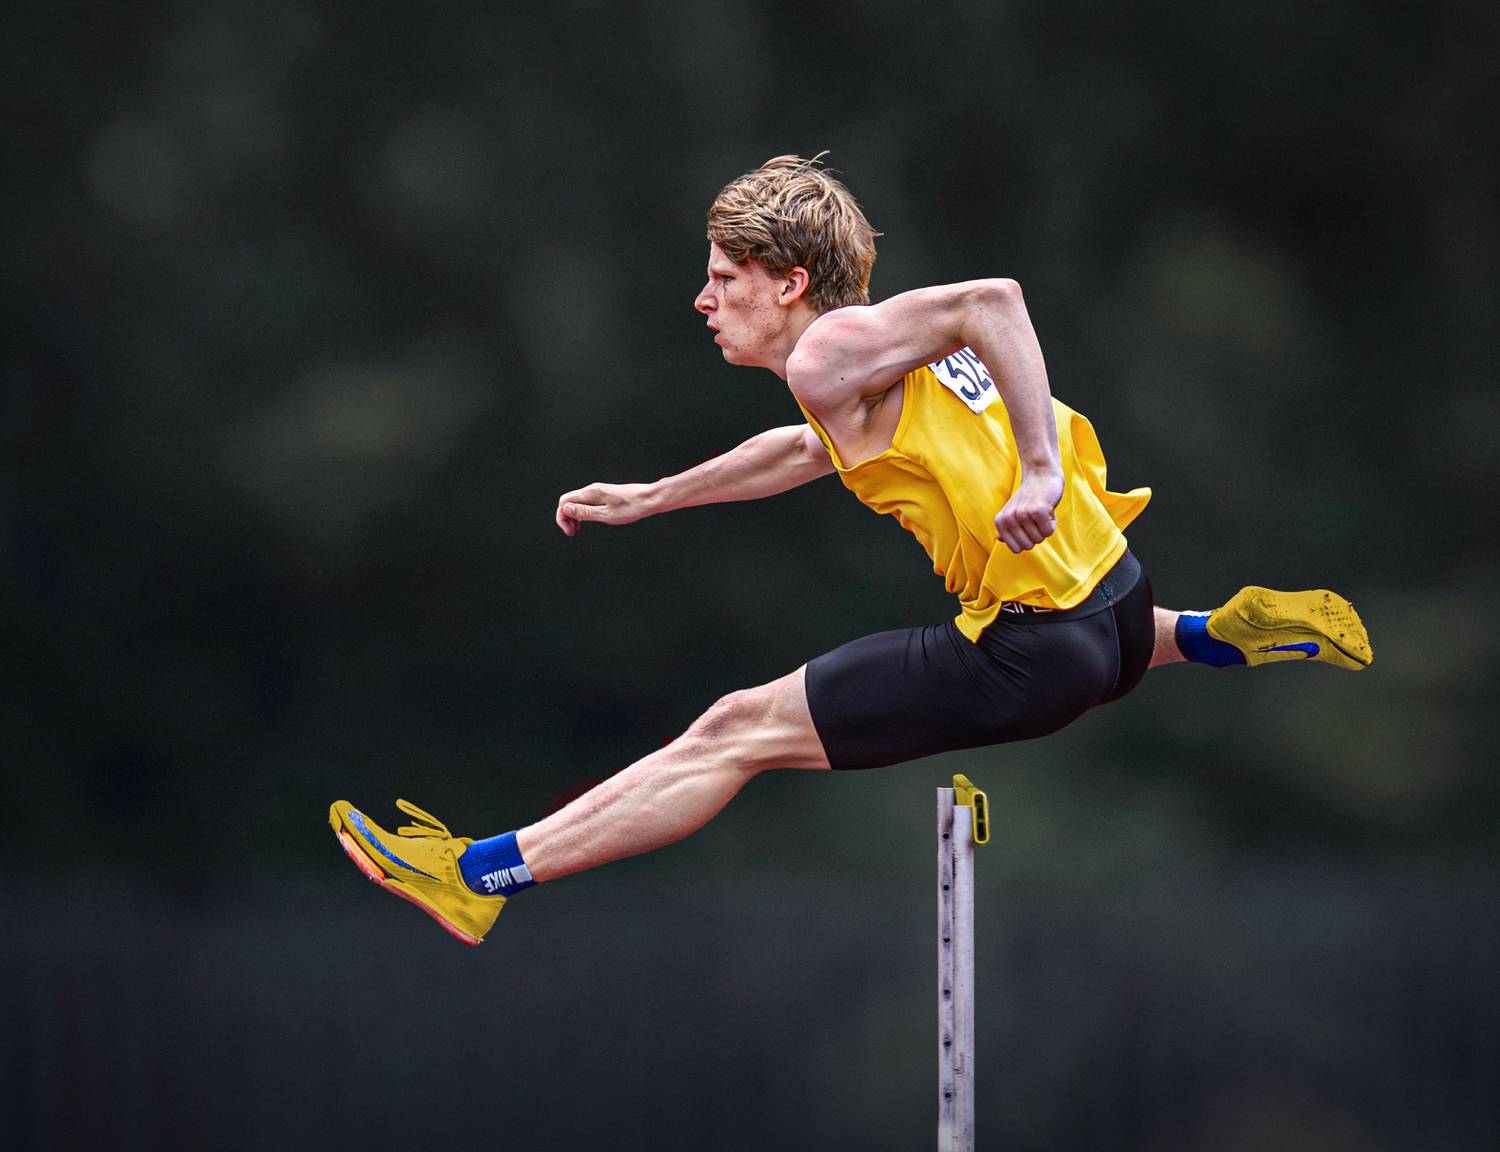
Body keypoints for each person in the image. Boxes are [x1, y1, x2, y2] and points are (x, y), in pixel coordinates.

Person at [329, 155, 1372, 946]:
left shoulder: (832, 349)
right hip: (1112, 621)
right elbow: (803, 453)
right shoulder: (864, 368)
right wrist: (655, 496)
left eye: (724, 277)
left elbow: (993, 299)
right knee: (781, 711)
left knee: (734, 730)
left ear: (789, 284)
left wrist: (1046, 472)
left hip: (1034, 656)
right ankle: (1223, 632)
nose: (704, 300)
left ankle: (480, 877)